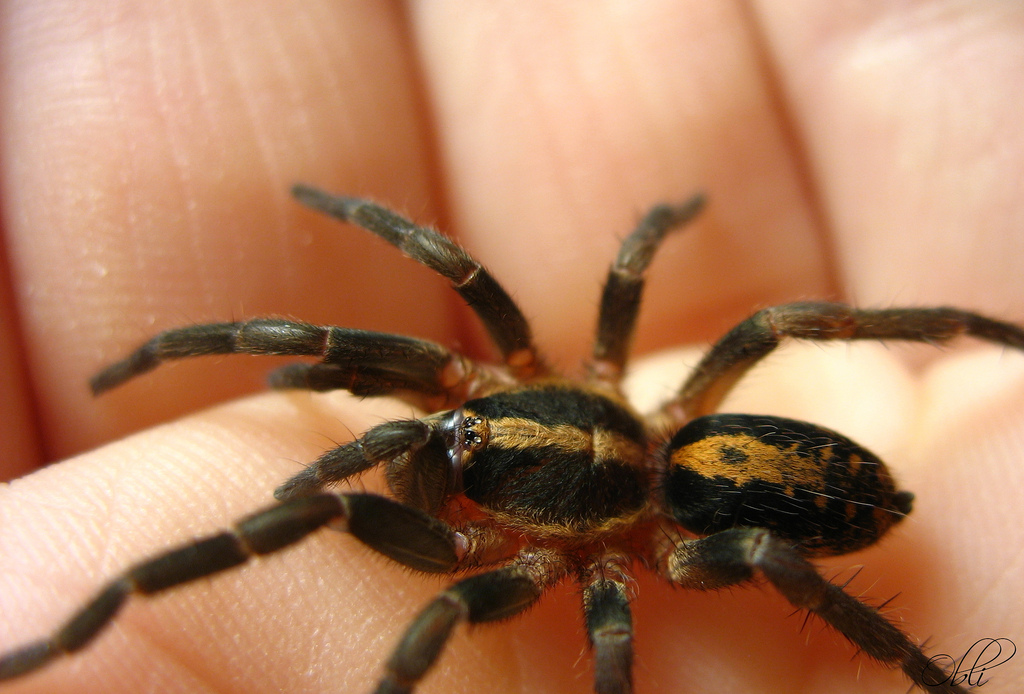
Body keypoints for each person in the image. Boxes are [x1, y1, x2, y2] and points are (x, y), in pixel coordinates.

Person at [2, 3, 1022, 692]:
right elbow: (601, 260)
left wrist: (659, 226)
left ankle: (929, 654)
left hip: (709, 495)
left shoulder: (596, 560)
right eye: (460, 423)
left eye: (461, 420)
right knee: (749, 330)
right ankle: (95, 610)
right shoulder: (494, 393)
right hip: (689, 450)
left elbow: (608, 644)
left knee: (767, 384)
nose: (455, 419)